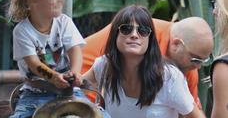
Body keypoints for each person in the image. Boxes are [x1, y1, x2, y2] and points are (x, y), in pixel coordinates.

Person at [82, 16, 214, 108]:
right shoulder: (142, 37)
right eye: (196, 59)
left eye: (204, 60)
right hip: (84, 87)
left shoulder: (187, 64)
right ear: (176, 44)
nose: (198, 66)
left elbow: (193, 111)